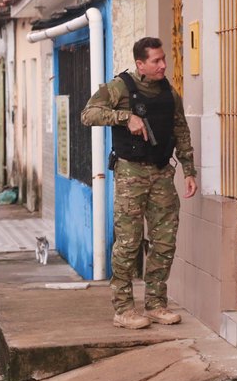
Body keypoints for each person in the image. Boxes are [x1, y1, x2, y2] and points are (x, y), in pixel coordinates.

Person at [81, 37, 198, 330]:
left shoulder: (169, 93)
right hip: (131, 175)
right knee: (129, 243)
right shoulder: (120, 87)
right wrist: (125, 117)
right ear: (140, 64)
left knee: (164, 241)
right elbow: (88, 114)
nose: (163, 65)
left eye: (163, 59)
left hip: (161, 173)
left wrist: (189, 169)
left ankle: (156, 304)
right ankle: (123, 309)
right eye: (156, 61)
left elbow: (180, 130)